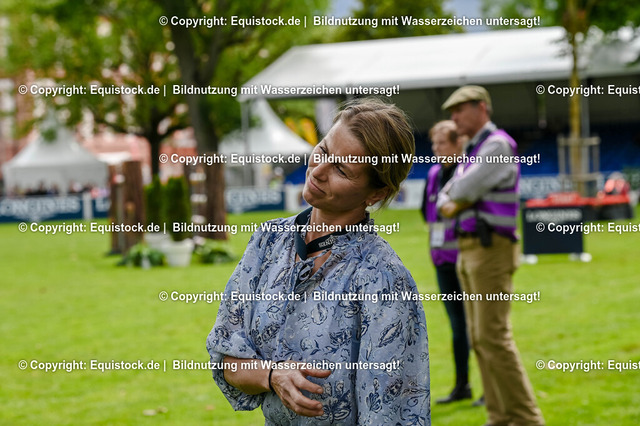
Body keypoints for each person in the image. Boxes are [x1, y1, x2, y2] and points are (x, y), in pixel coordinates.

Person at [207, 98, 430, 425]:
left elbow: (390, 414)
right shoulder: (268, 241)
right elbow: (228, 357)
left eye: (341, 170)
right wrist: (273, 375)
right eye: (323, 151)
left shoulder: (383, 279)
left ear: (376, 194)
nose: (318, 171)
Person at [438, 86, 545, 426]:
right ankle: (499, 417)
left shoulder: (497, 145)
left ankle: (527, 419)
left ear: (481, 107)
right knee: (479, 339)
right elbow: (443, 198)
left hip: (491, 249)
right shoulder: (474, 149)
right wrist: (456, 199)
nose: (454, 118)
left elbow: (461, 190)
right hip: (470, 249)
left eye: (459, 110)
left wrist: (457, 199)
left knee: (493, 338)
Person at [421, 120, 473, 404]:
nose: (436, 148)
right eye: (434, 143)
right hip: (442, 260)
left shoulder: (469, 171)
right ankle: (462, 385)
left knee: (478, 326)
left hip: (468, 257)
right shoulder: (433, 174)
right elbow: (426, 211)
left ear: (457, 144)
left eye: (441, 143)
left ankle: (491, 391)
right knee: (457, 326)